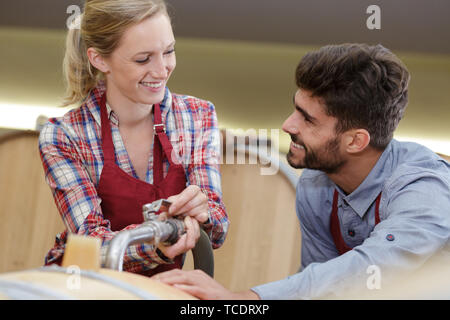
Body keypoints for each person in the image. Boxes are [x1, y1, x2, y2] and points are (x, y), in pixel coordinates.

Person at [153, 43, 450, 299]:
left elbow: (373, 267)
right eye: (296, 108)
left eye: (308, 120)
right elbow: (320, 288)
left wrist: (247, 298)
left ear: (356, 141)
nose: (287, 125)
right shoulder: (315, 184)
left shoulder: (424, 186)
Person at [38, 0, 229, 276]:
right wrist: (158, 239)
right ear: (100, 59)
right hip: (86, 287)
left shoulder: (197, 116)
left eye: (169, 51)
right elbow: (93, 243)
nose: (162, 69)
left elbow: (217, 229)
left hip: (160, 286)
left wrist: (203, 211)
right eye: (143, 59)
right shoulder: (64, 136)